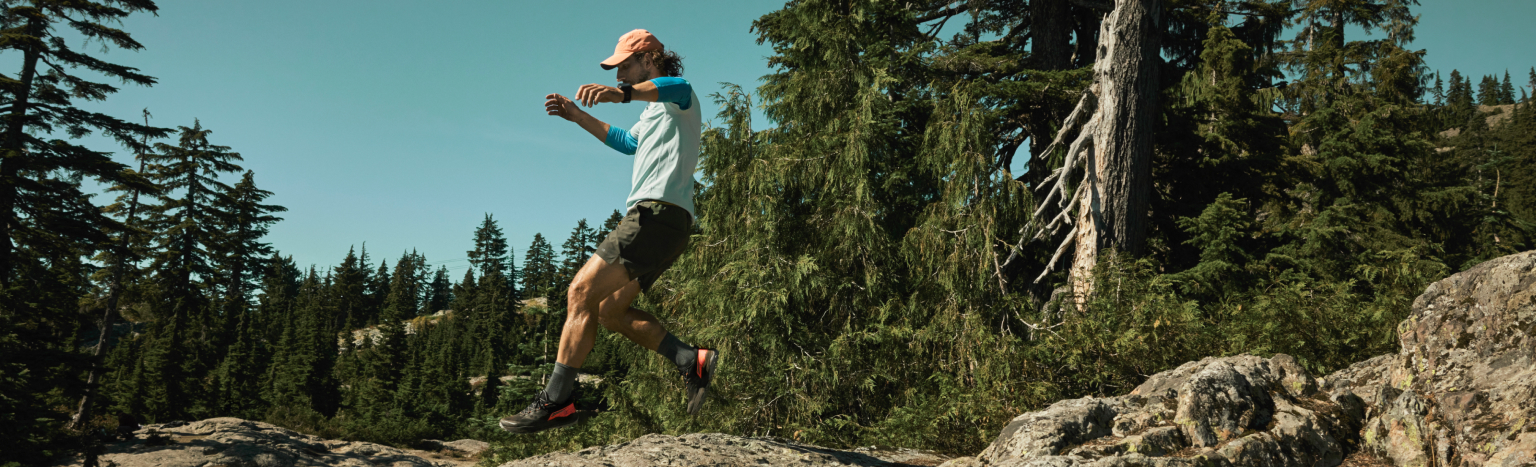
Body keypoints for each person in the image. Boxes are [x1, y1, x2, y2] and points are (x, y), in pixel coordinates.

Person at [499, 29, 716, 434]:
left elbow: (678, 85)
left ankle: (556, 401)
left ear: (650, 58)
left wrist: (622, 96)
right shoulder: (654, 113)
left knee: (579, 292)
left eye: (625, 66)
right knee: (608, 310)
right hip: (670, 226)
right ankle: (691, 360)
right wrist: (577, 115)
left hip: (655, 214)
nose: (619, 76)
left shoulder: (678, 97)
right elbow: (625, 141)